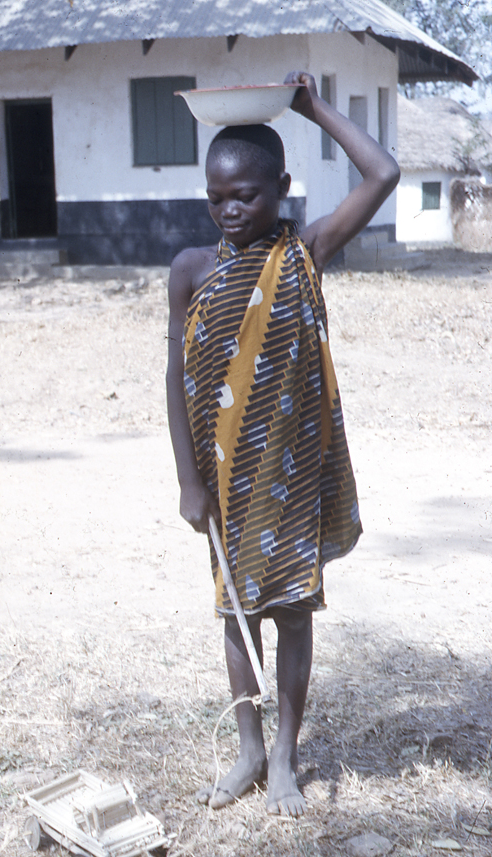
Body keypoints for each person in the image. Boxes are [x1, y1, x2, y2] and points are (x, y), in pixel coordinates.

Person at [166, 71, 400, 817]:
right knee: (235, 612)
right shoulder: (190, 272)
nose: (231, 211)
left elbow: (383, 172)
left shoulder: (305, 251)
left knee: (292, 610)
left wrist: (312, 105)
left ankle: (289, 759)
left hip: (291, 471)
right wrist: (188, 481)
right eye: (217, 197)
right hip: (224, 476)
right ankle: (249, 751)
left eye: (247, 196)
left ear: (282, 189)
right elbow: (173, 378)